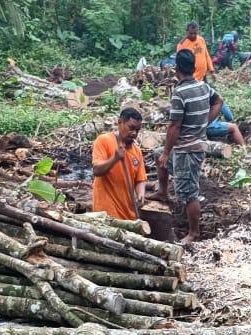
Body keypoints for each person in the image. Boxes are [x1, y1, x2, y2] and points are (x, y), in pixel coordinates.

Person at [158, 47, 223, 244]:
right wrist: (206, 121)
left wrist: (167, 152)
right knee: (156, 155)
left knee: (189, 193)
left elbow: (174, 125)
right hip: (191, 145)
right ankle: (162, 192)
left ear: (176, 68)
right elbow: (218, 101)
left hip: (188, 149)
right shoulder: (203, 86)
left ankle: (193, 233)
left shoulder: (179, 93)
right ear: (194, 68)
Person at [91, 106, 145, 219]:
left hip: (129, 214)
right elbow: (96, 170)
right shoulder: (104, 141)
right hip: (106, 213)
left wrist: (141, 194)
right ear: (120, 123)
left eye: (138, 130)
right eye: (131, 128)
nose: (134, 133)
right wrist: (114, 158)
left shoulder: (137, 151)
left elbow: (140, 179)